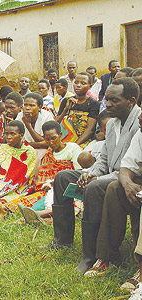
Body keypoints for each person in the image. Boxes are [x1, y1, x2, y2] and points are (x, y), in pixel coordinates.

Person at [41, 78, 141, 276]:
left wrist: (96, 180)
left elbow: (129, 167)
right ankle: (62, 239)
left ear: (131, 100)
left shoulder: (139, 123)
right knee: (63, 177)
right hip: (108, 174)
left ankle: (91, 254)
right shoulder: (112, 123)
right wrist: (90, 173)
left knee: (94, 188)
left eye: (115, 100)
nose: (108, 104)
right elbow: (103, 158)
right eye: (107, 99)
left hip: (128, 181)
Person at [84, 120, 142, 280]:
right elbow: (126, 168)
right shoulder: (140, 134)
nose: (140, 122)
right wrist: (128, 184)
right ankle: (106, 256)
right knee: (115, 189)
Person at [17, 121, 82, 226]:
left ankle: (39, 215)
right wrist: (47, 185)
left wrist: (55, 182)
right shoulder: (49, 154)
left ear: (60, 135)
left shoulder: (72, 148)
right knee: (31, 203)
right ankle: (35, 217)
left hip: (70, 188)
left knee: (67, 204)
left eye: (54, 138)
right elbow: (43, 177)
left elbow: (79, 173)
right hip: (50, 191)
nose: (51, 142)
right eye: (47, 139)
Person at [56, 72, 100, 148]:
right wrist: (65, 109)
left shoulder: (93, 104)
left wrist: (74, 145)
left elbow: (90, 130)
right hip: (66, 138)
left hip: (83, 141)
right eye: (76, 82)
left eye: (83, 83)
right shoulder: (66, 101)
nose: (78, 85)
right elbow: (56, 124)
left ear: (90, 86)